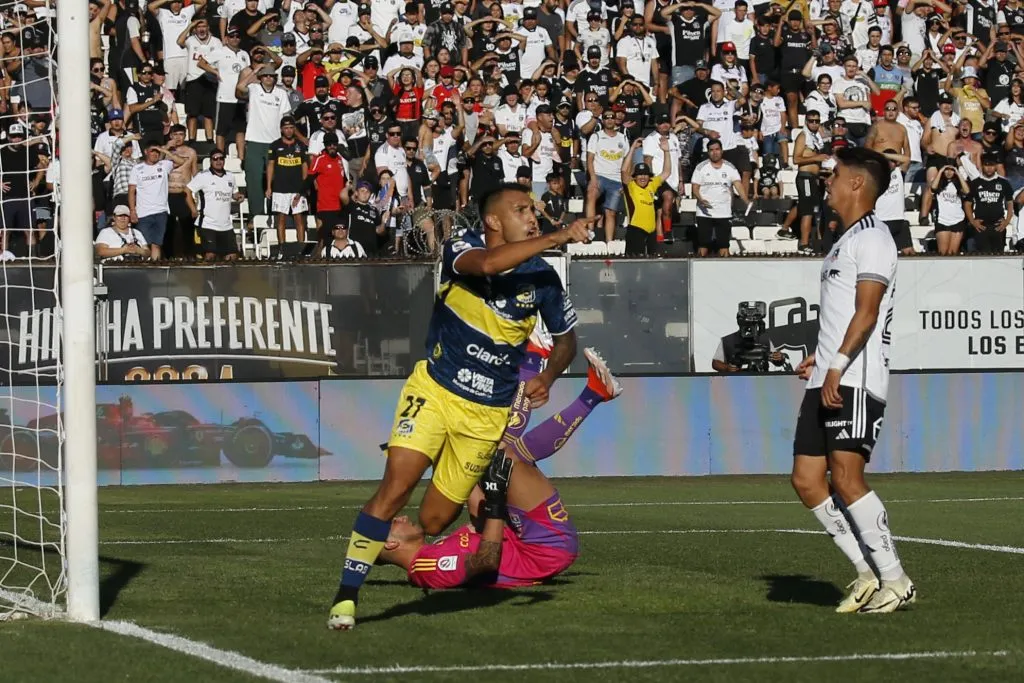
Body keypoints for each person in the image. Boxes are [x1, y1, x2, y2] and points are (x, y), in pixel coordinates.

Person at [327, 184, 595, 630]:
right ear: (493, 221)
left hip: (486, 414)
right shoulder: (463, 246)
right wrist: (558, 236)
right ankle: (346, 596)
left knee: (433, 518)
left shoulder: (544, 278)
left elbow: (567, 339)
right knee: (394, 489)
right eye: (521, 210)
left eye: (533, 210)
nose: (532, 217)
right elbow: (489, 264)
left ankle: (439, 457)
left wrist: (549, 376)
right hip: (435, 388)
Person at [378, 344, 623, 590]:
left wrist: (448, 458)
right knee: (504, 454)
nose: (399, 516)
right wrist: (495, 501)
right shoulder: (426, 568)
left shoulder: (434, 551)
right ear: (391, 543)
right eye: (392, 523)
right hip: (543, 548)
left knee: (492, 452)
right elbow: (485, 563)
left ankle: (579, 383)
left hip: (529, 538)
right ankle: (565, 376)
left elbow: (478, 512)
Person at [791, 146, 915, 615]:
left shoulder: (875, 238)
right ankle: (866, 574)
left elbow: (867, 313)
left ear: (858, 184)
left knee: (846, 477)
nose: (828, 181)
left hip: (854, 378)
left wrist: (839, 365)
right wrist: (818, 360)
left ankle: (896, 580)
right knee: (806, 480)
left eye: (836, 174)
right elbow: (844, 315)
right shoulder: (843, 240)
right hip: (827, 374)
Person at [690, 138, 747, 257]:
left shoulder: (730, 167)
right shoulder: (701, 167)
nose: (714, 152)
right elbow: (695, 188)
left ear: (722, 151)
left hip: (724, 212)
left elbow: (738, 184)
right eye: (711, 150)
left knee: (724, 245)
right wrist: (701, 199)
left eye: (717, 149)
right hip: (705, 212)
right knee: (703, 245)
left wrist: (745, 199)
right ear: (708, 152)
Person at [185, 149, 243, 261]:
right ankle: (207, 279)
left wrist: (238, 196)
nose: (218, 161)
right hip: (208, 224)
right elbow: (187, 191)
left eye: (221, 158)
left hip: (226, 225)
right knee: (210, 256)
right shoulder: (203, 176)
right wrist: (193, 209)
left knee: (232, 256)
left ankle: (226, 278)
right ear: (211, 161)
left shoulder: (230, 176)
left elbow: (234, 193)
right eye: (215, 159)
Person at [621, 137, 672, 255]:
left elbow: (666, 172)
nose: (643, 177)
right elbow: (624, 171)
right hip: (636, 230)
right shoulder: (631, 186)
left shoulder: (651, 184)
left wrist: (666, 151)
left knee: (651, 265)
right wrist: (633, 148)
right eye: (639, 175)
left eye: (645, 175)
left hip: (652, 232)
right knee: (633, 265)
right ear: (634, 177)